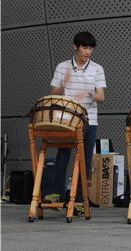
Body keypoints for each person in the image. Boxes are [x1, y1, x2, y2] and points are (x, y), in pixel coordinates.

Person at [43, 32, 106, 216]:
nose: (88, 52)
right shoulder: (63, 67)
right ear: (75, 47)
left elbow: (101, 96)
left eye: (90, 48)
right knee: (63, 155)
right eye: (84, 47)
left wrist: (87, 94)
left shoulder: (97, 68)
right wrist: (64, 85)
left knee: (85, 160)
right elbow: (53, 93)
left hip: (89, 119)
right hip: (66, 119)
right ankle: (57, 193)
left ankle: (78, 200)